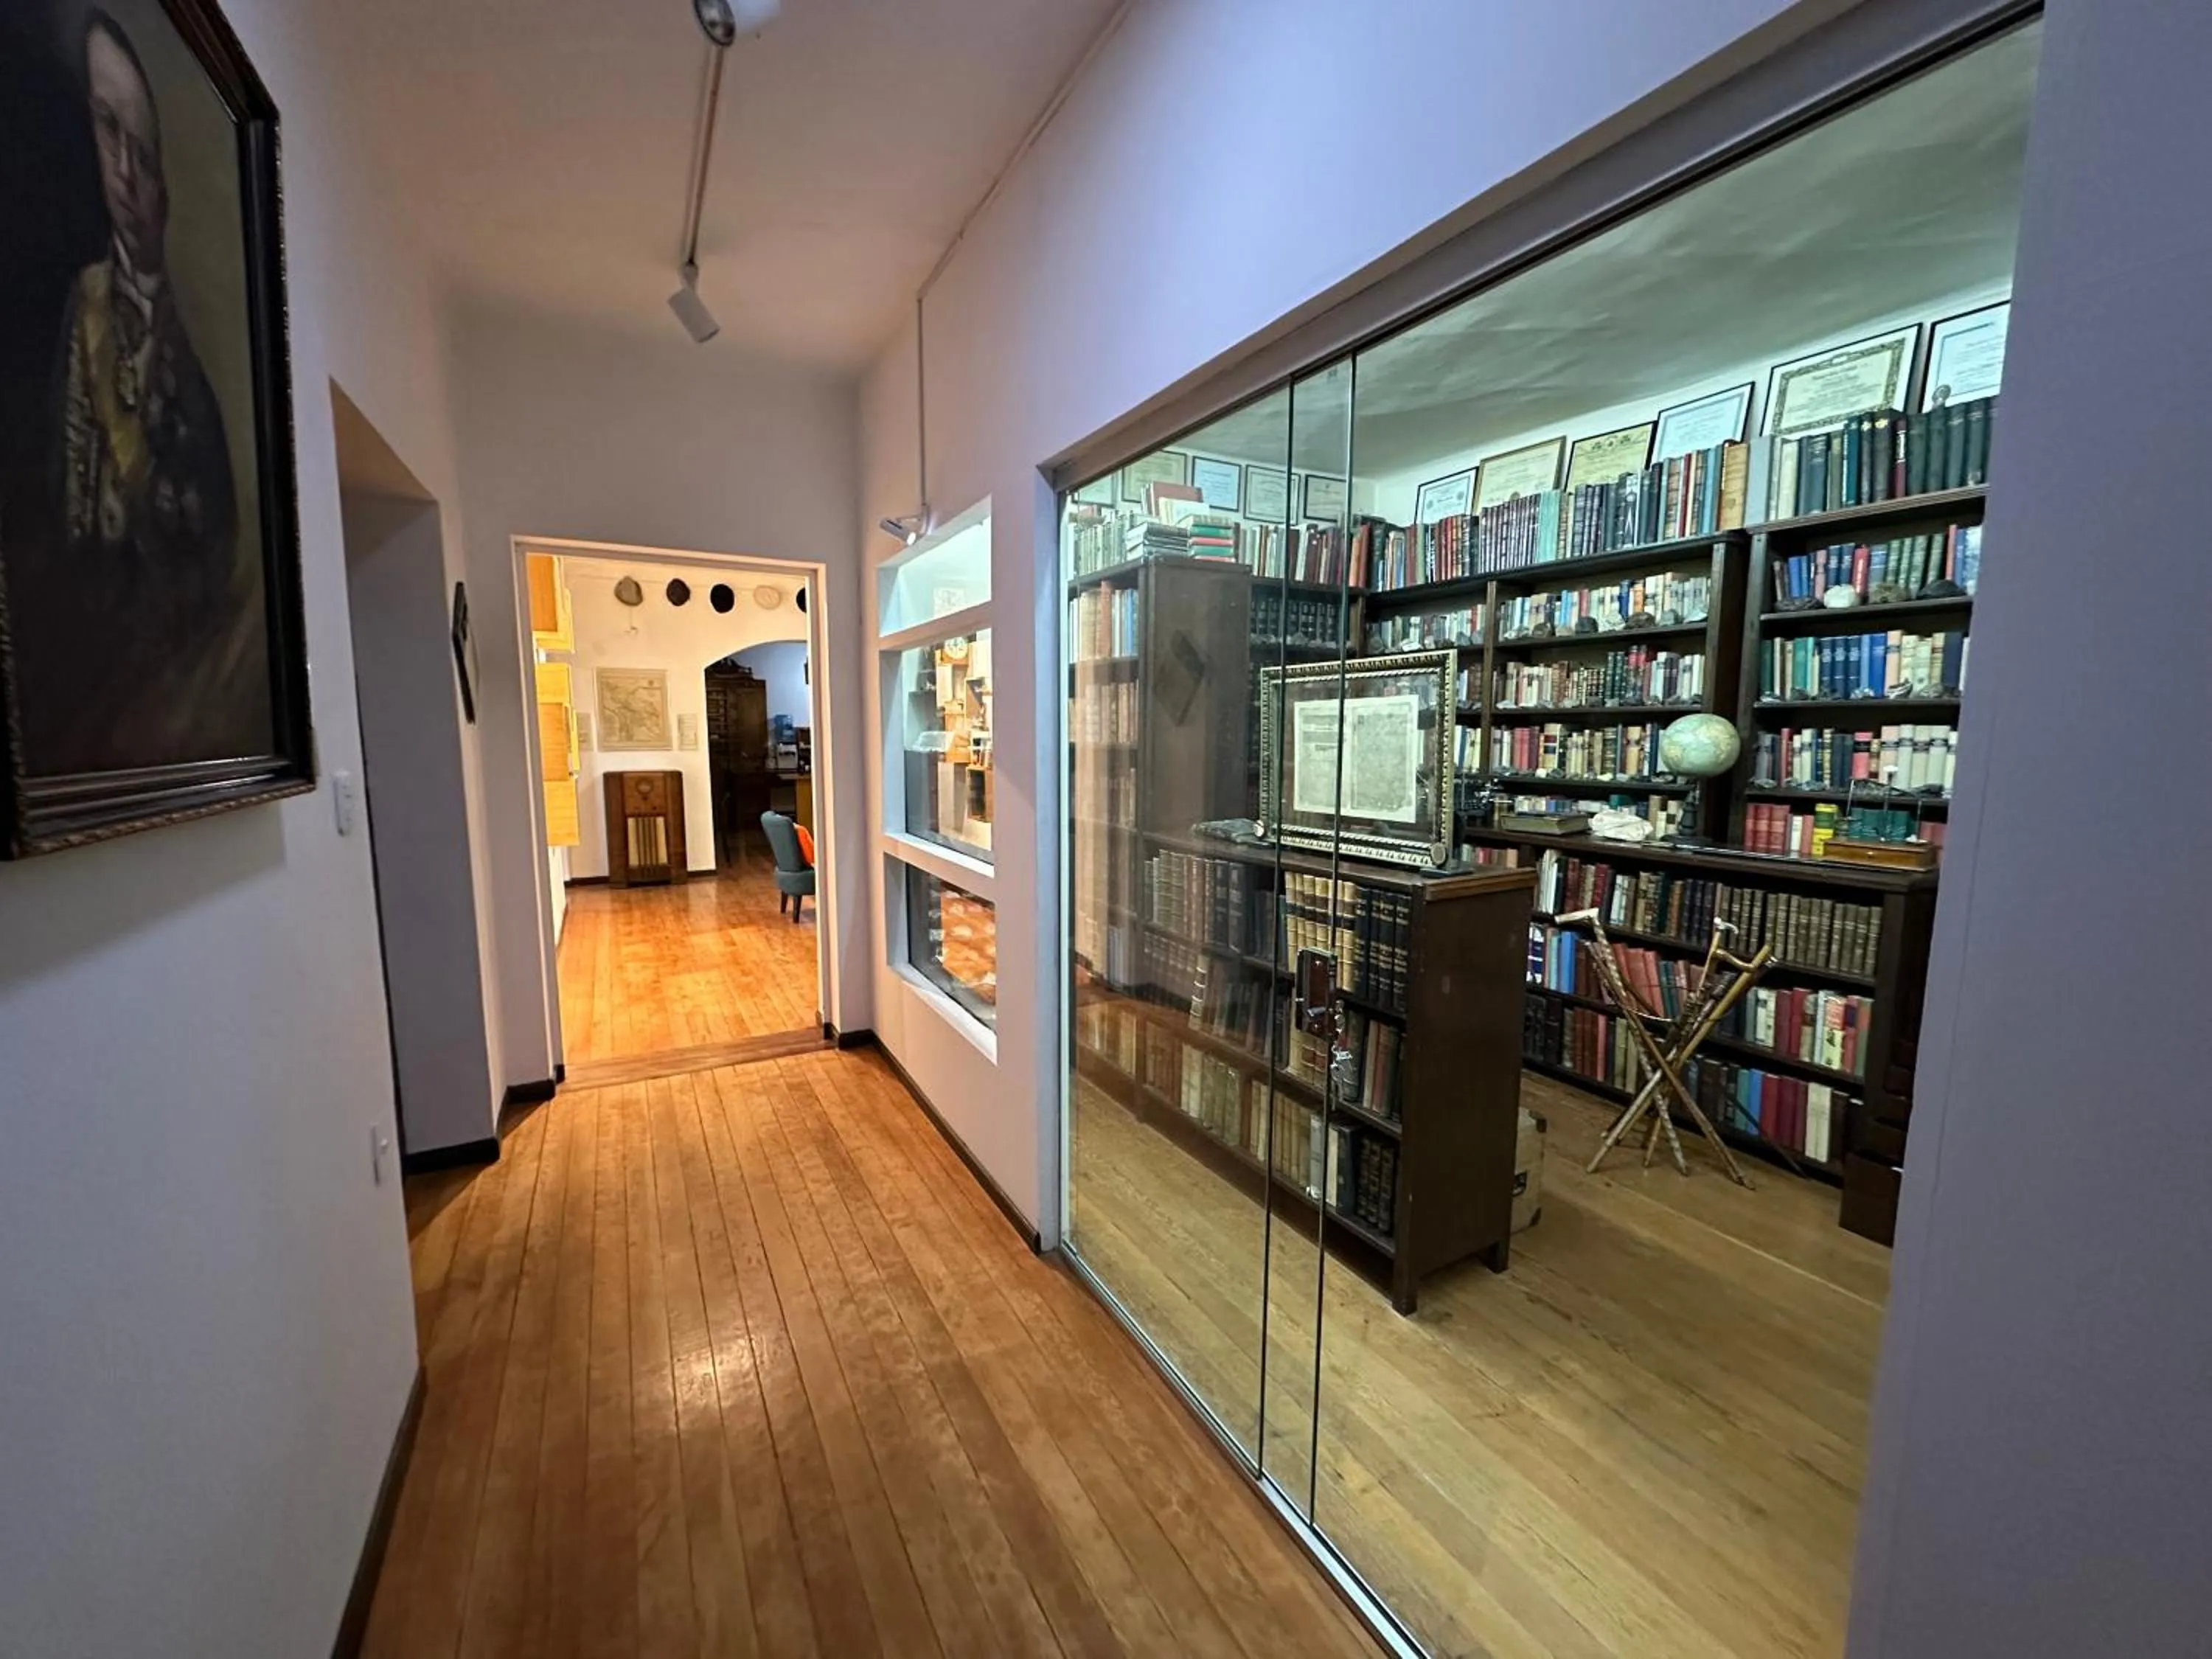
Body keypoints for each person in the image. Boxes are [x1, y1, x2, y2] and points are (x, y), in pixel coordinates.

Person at [46, 9, 258, 768]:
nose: (128, 173)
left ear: (167, 185)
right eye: (109, 132)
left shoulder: (192, 361)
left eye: (145, 149)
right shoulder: (80, 315)